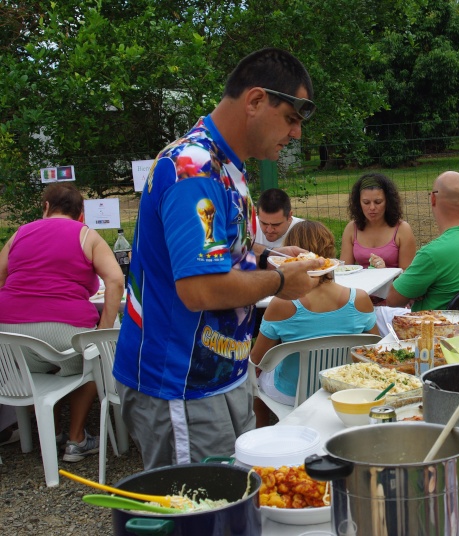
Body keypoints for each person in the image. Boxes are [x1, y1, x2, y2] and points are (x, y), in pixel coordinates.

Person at [113, 48, 324, 470]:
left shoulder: (226, 166)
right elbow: (200, 288)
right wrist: (283, 283)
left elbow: (225, 251)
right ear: (256, 101)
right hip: (182, 384)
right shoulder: (194, 170)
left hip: (219, 373)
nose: (297, 134)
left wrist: (274, 256)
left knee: (231, 503)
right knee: (199, 513)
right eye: (292, 118)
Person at [0, 182, 124, 462]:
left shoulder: (19, 233)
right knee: (92, 362)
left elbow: (1, 276)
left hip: (10, 334)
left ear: (45, 207)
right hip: (65, 329)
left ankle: (51, 432)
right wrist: (102, 333)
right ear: (81, 213)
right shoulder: (87, 235)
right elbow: (115, 280)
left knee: (38, 375)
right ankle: (76, 439)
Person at [251, 221, 378, 426]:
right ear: (331, 254)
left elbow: (257, 359)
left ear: (290, 258)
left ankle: (260, 432)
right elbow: (374, 348)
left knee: (255, 379)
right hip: (344, 388)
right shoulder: (360, 299)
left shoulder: (283, 303)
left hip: (292, 393)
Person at [386, 171, 459, 311]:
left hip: (433, 329)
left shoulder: (432, 253)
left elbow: (393, 299)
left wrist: (410, 286)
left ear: (433, 199)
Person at [340, 173, 416, 270]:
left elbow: (408, 276)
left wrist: (385, 273)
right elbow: (345, 270)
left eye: (378, 202)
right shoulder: (351, 228)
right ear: (358, 202)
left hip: (392, 284)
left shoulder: (402, 229)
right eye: (366, 202)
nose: (372, 207)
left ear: (388, 202)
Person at [252, 188, 304, 264]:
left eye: (276, 224)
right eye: (264, 223)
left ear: (289, 216)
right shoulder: (248, 229)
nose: (269, 230)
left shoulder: (304, 231)